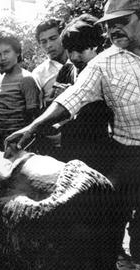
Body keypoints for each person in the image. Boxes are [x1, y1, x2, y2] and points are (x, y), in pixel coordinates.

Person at [5, 0, 140, 266]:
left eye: (122, 22)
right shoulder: (104, 63)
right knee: (110, 225)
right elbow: (72, 97)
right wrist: (33, 126)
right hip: (126, 155)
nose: (114, 30)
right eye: (109, 25)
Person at [54, 14, 113, 173]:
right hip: (69, 148)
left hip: (99, 150)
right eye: (70, 50)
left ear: (95, 45)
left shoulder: (107, 71)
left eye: (80, 50)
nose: (74, 57)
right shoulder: (66, 70)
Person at [0, 31, 41, 149]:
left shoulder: (26, 79)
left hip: (19, 142)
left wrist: (22, 143)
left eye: (7, 52)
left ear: (17, 52)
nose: (3, 58)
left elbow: (33, 116)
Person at [32, 18, 68, 107]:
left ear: (63, 36)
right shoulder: (38, 74)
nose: (48, 45)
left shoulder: (81, 60)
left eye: (53, 38)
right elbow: (37, 110)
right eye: (43, 42)